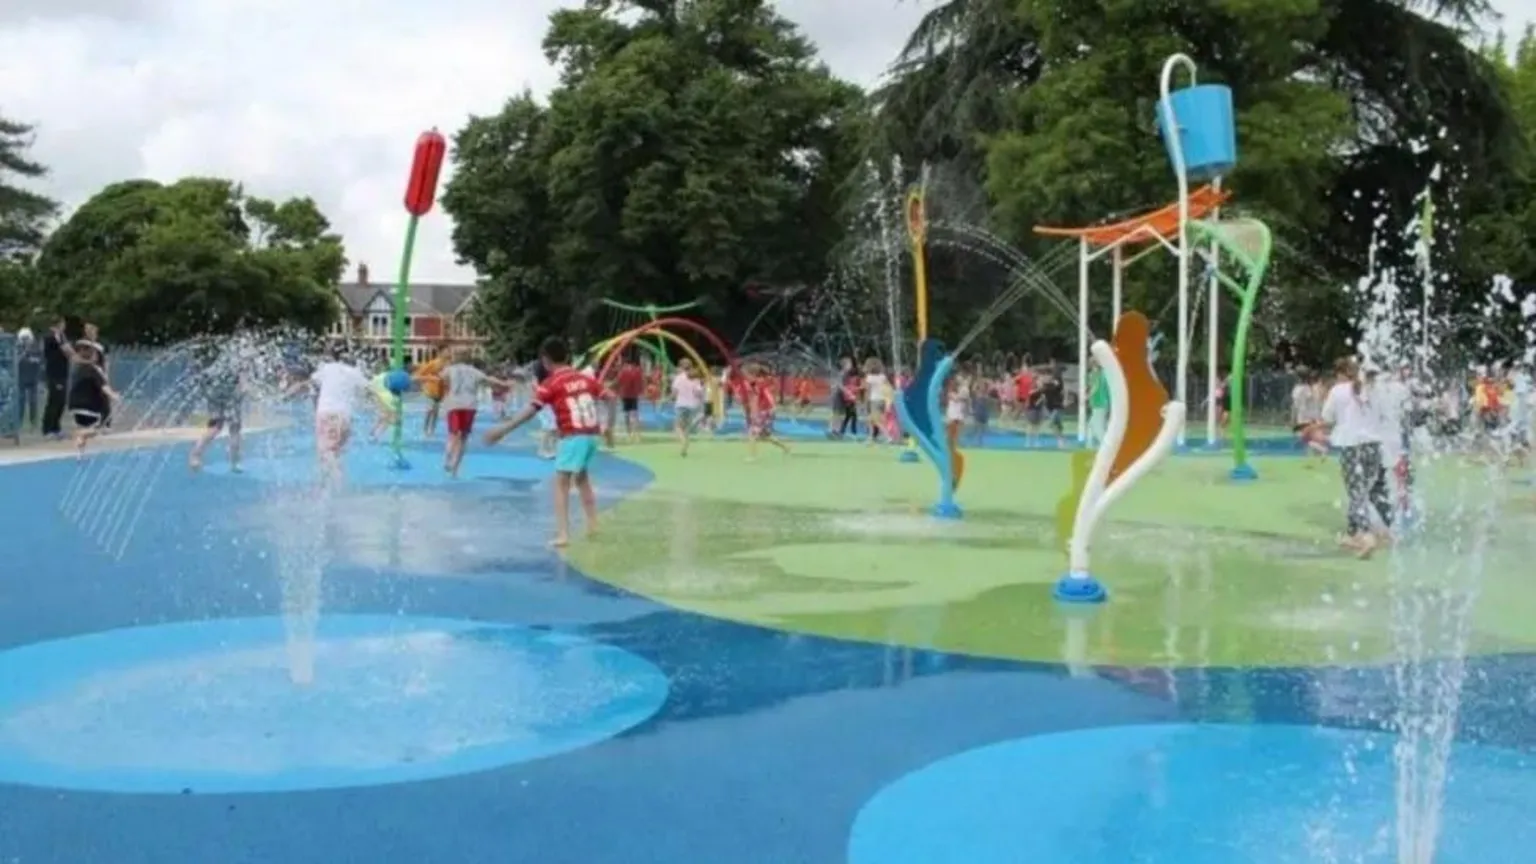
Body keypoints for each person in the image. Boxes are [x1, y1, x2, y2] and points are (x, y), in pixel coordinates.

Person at [483, 336, 615, 546]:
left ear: (545, 360)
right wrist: (609, 427)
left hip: (572, 437)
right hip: (591, 435)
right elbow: (611, 398)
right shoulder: (586, 379)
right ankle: (593, 524)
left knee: (561, 485)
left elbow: (530, 411)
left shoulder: (551, 383)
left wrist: (502, 430)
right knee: (582, 479)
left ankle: (563, 534)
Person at [1321, 357, 1391, 557]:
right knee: (1367, 489)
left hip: (1351, 446)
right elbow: (1385, 418)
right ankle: (1356, 532)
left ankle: (1366, 535)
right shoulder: (1377, 392)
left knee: (1356, 492)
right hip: (1373, 447)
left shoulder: (1338, 391)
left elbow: (1327, 417)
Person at [295, 350, 375, 483]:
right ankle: (331, 486)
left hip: (327, 414)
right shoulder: (355, 372)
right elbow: (370, 389)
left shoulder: (327, 368)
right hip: (345, 417)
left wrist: (289, 391)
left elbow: (310, 382)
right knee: (336, 452)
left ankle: (335, 480)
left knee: (325, 452)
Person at [439, 352, 514, 478]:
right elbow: (489, 379)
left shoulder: (450, 369)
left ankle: (447, 458)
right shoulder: (474, 371)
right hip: (469, 406)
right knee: (463, 438)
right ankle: (455, 470)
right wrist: (504, 384)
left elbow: (440, 378)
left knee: (452, 435)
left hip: (454, 405)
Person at [188, 356, 245, 472]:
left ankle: (195, 456)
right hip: (230, 394)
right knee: (234, 429)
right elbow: (243, 380)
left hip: (214, 392)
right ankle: (235, 462)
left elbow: (198, 374)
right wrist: (242, 393)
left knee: (215, 427)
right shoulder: (235, 355)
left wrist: (204, 391)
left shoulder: (208, 357)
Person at [66, 342, 119, 456]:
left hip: (75, 406)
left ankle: (80, 453)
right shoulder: (93, 369)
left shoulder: (78, 369)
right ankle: (82, 435)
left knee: (84, 427)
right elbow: (103, 386)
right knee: (102, 428)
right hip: (89, 406)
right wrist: (113, 395)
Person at [744, 364, 790, 460]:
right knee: (764, 435)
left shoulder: (760, 383)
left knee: (752, 432)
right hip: (764, 411)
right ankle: (785, 447)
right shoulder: (756, 384)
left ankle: (752, 456)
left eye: (747, 375)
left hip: (765, 411)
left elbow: (767, 394)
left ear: (753, 375)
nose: (746, 377)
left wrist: (773, 406)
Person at [40, 316, 73, 439]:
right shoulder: (50, 337)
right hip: (54, 373)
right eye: (63, 324)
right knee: (54, 400)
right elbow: (64, 350)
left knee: (61, 401)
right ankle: (47, 428)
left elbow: (68, 350)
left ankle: (56, 427)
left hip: (62, 372)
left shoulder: (62, 336)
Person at [671, 358, 706, 456]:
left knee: (677, 426)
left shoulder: (678, 378)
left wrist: (671, 398)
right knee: (686, 427)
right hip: (692, 405)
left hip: (681, 404)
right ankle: (685, 447)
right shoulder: (695, 378)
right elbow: (699, 393)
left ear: (681, 367)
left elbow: (674, 393)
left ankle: (683, 442)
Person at [413, 351, 449, 437]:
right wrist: (430, 378)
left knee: (435, 413)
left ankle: (432, 430)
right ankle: (425, 430)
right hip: (430, 391)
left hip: (440, 392)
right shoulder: (433, 363)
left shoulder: (448, 365)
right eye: (447, 351)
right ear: (440, 352)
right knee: (429, 410)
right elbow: (417, 375)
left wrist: (447, 390)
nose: (448, 353)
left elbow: (447, 379)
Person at [615, 353, 646, 443]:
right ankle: (637, 435)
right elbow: (642, 382)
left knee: (627, 415)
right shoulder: (638, 371)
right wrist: (642, 392)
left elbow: (618, 382)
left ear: (626, 364)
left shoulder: (623, 372)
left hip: (625, 395)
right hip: (634, 395)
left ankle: (629, 434)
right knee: (635, 415)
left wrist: (611, 387)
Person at [863, 357, 893, 445]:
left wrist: (865, 401)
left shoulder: (869, 378)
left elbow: (867, 391)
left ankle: (888, 437)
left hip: (874, 400)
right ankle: (870, 438)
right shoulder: (883, 377)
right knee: (871, 420)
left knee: (877, 421)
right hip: (882, 400)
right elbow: (888, 387)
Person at [15, 328, 41, 431]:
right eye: (23, 339)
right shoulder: (18, 348)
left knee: (33, 402)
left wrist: (30, 357)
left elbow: (38, 361)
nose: (25, 341)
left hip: (32, 378)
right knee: (20, 401)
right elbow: (16, 362)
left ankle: (33, 423)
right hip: (21, 378)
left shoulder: (35, 348)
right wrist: (23, 353)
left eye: (27, 339)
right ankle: (19, 422)